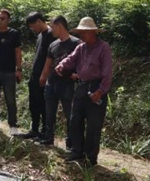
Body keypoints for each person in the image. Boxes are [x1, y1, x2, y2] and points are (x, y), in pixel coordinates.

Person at [55, 17, 113, 166]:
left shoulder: (103, 48)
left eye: (84, 32)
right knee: (75, 120)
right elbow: (71, 59)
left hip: (96, 87)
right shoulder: (81, 47)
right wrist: (61, 65)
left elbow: (107, 73)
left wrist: (100, 91)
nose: (82, 35)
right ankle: (77, 151)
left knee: (94, 125)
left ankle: (90, 158)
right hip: (81, 86)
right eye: (80, 32)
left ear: (93, 32)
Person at [39, 15, 80, 148]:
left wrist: (76, 75)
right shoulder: (53, 44)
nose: (51, 30)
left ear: (60, 26)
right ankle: (48, 137)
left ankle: (71, 142)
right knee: (49, 111)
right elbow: (48, 63)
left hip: (67, 83)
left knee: (70, 114)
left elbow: (82, 63)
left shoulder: (76, 43)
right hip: (52, 82)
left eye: (53, 26)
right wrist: (43, 77)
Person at [20, 12, 54, 140]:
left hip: (45, 76)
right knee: (34, 104)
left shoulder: (52, 35)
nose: (32, 29)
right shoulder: (40, 35)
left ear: (39, 21)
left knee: (44, 105)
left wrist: (44, 75)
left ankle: (45, 132)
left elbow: (50, 58)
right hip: (35, 75)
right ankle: (34, 129)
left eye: (33, 26)